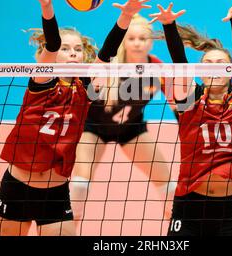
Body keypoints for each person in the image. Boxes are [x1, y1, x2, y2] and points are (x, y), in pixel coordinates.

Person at [0, 0, 151, 236]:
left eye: (78, 49)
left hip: (54, 194)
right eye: (67, 49)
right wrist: (47, 6)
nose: (73, 53)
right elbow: (51, 43)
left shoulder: (86, 87)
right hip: (17, 188)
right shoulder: (42, 81)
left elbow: (107, 53)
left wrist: (125, 17)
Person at [149, 2, 232, 236]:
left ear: (231, 71)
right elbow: (180, 63)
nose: (214, 69)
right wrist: (169, 26)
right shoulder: (189, 100)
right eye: (207, 64)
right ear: (199, 72)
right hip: (188, 206)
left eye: (221, 64)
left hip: (229, 210)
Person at [71, 13, 178, 227]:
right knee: (81, 182)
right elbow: (82, 97)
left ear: (151, 42)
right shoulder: (109, 67)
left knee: (168, 185)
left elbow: (179, 105)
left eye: (142, 39)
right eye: (131, 38)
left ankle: (177, 228)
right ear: (124, 41)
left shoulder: (158, 69)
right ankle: (69, 227)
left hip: (131, 128)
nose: (137, 43)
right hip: (94, 127)